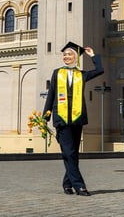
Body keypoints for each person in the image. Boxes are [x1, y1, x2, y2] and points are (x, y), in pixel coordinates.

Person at [43, 42, 104, 196]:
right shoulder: (57, 73)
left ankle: (67, 184)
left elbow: (100, 70)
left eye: (70, 55)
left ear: (76, 58)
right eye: (65, 55)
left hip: (77, 118)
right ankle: (79, 185)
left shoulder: (82, 75)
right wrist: (46, 115)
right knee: (69, 152)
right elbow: (51, 94)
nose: (66, 57)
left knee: (72, 153)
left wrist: (93, 56)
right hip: (61, 118)